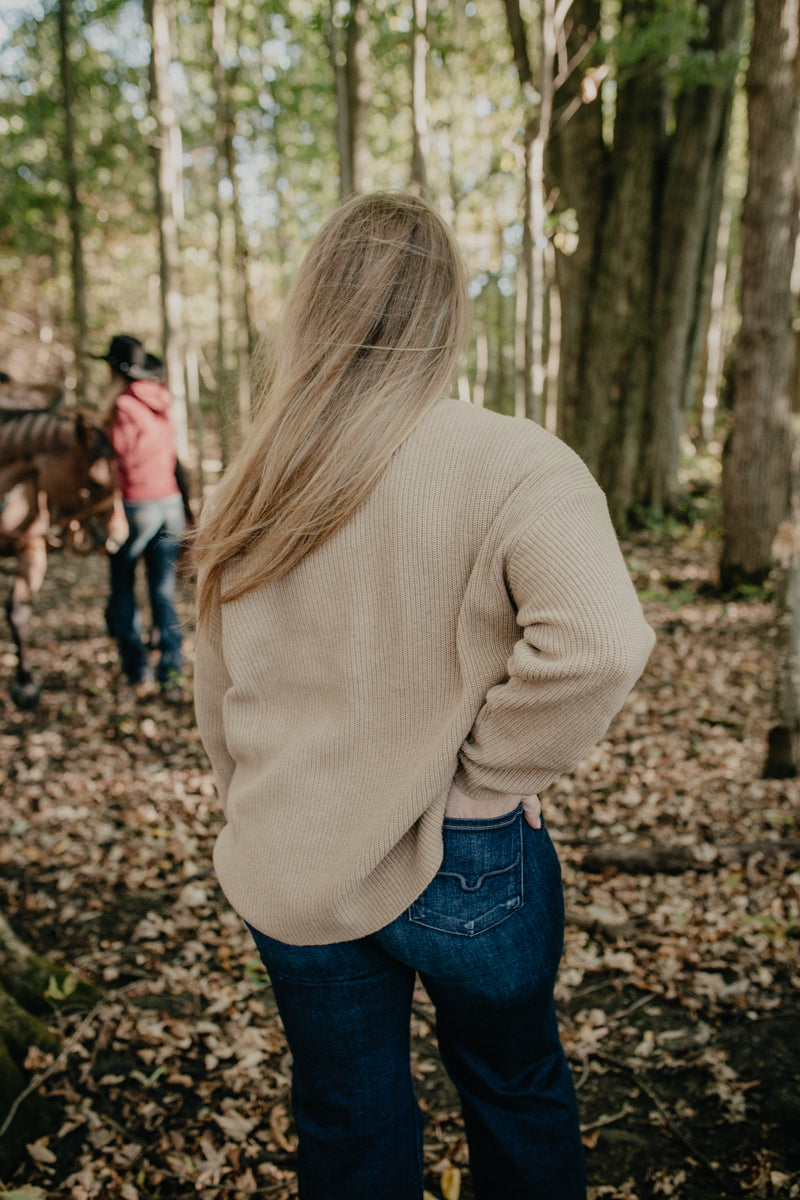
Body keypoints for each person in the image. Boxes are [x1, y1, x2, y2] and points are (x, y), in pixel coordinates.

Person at [192, 191, 655, 1200]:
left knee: (348, 1124)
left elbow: (217, 689)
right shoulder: (515, 459)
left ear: (313, 308)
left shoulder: (255, 478)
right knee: (514, 1089)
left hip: (293, 851)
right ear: (444, 314)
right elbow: (601, 642)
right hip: (471, 859)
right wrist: (494, 782)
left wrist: (253, 800)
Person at [93, 334, 186, 693]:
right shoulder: (162, 401)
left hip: (137, 507)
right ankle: (172, 670)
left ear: (115, 370)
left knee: (123, 588)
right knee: (163, 592)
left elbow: (114, 464)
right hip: (170, 504)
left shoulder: (121, 407)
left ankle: (137, 672)